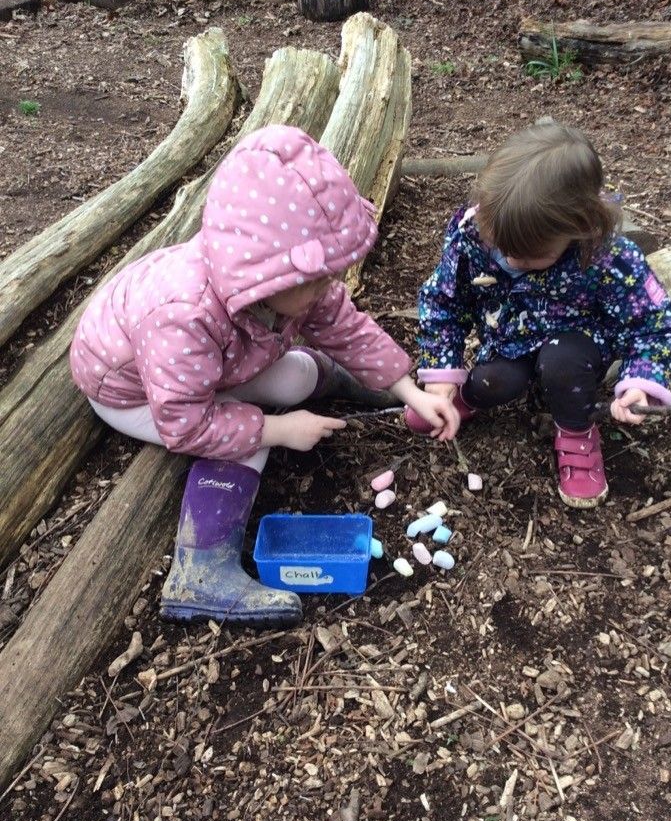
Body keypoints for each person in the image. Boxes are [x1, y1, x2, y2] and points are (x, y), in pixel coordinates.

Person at [71, 125, 459, 626]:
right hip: (130, 390)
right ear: (270, 277)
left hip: (208, 367)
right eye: (319, 279)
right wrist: (278, 430)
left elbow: (343, 323)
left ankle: (351, 385)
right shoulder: (182, 317)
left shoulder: (276, 284)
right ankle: (201, 571)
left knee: (295, 377)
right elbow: (185, 424)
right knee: (242, 431)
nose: (330, 286)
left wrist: (409, 389)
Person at [405, 121, 671, 509]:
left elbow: (652, 323)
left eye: (532, 254)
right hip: (510, 337)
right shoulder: (475, 234)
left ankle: (576, 432)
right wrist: (440, 375)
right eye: (502, 248)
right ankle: (458, 398)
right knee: (493, 380)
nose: (513, 261)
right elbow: (443, 301)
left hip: (576, 344)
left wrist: (641, 382)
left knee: (562, 364)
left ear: (579, 228)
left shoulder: (608, 258)